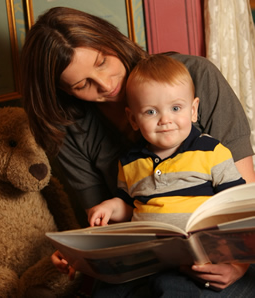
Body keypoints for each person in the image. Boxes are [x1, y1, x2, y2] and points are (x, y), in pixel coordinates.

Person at [20, 6, 255, 297]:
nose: (105, 85)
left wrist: (238, 265)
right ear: (65, 91)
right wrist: (80, 252)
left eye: (103, 62)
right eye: (82, 84)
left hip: (220, 256)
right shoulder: (71, 129)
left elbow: (243, 201)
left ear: (112, 39)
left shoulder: (195, 75)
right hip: (143, 261)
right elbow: (104, 219)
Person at [88, 54, 246, 229]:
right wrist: (109, 207)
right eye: (150, 112)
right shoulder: (129, 162)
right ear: (133, 119)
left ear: (193, 111)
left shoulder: (212, 152)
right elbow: (128, 207)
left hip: (204, 243)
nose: (165, 119)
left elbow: (235, 201)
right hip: (150, 246)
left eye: (176, 108)